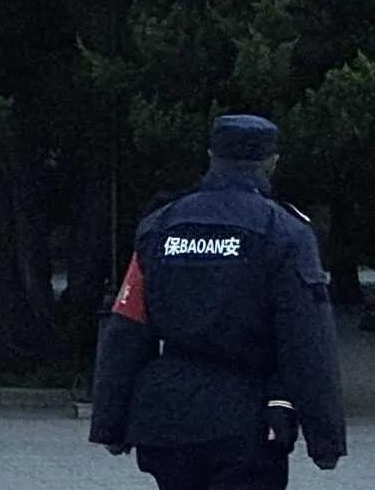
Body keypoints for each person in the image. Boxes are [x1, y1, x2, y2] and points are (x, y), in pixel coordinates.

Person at [90, 114, 348, 487]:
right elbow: (307, 341)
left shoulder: (161, 225)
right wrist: (326, 439)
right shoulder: (285, 232)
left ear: (211, 155)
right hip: (245, 421)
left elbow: (127, 327)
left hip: (166, 420)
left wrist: (110, 423)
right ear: (272, 162)